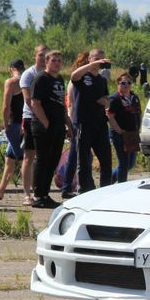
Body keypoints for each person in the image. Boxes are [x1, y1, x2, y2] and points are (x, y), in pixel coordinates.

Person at [30, 50, 70, 208]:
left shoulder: (59, 79)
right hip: (43, 126)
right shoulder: (41, 79)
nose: (57, 63)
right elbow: (35, 103)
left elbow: (62, 104)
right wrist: (46, 123)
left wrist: (68, 124)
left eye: (60, 61)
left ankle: (45, 194)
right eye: (54, 60)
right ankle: (38, 195)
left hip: (59, 125)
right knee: (43, 160)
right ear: (46, 62)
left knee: (53, 160)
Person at [71, 49, 112, 192]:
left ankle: (105, 190)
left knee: (106, 159)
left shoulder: (101, 79)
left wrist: (105, 102)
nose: (100, 61)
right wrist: (91, 65)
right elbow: (73, 76)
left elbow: (106, 98)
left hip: (100, 123)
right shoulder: (84, 76)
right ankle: (84, 189)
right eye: (96, 58)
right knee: (83, 160)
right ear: (89, 59)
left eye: (102, 58)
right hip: (84, 122)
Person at [0, 59, 26, 200]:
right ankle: (1, 190)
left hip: (14, 124)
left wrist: (5, 124)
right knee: (10, 159)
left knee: (23, 159)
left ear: (11, 69)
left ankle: (32, 193)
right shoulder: (29, 80)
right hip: (25, 123)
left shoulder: (11, 82)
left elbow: (6, 106)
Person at [19, 44, 48, 205]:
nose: (44, 58)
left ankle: (40, 190)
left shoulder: (49, 74)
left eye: (46, 55)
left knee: (43, 156)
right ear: (35, 56)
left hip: (46, 118)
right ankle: (27, 193)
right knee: (29, 155)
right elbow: (28, 100)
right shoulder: (28, 74)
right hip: (31, 118)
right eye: (41, 55)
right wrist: (41, 116)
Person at [60, 52, 90, 199]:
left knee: (77, 155)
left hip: (84, 121)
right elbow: (70, 103)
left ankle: (69, 185)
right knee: (74, 156)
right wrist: (71, 124)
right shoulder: (74, 81)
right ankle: (67, 186)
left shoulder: (88, 81)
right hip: (75, 122)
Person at [108, 73, 142, 184]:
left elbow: (138, 114)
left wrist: (138, 129)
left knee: (131, 163)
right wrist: (119, 131)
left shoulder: (134, 97)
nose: (126, 85)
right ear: (118, 84)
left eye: (129, 83)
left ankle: (111, 178)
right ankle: (121, 187)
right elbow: (110, 117)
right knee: (123, 163)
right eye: (123, 83)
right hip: (120, 134)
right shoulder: (114, 99)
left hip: (132, 134)